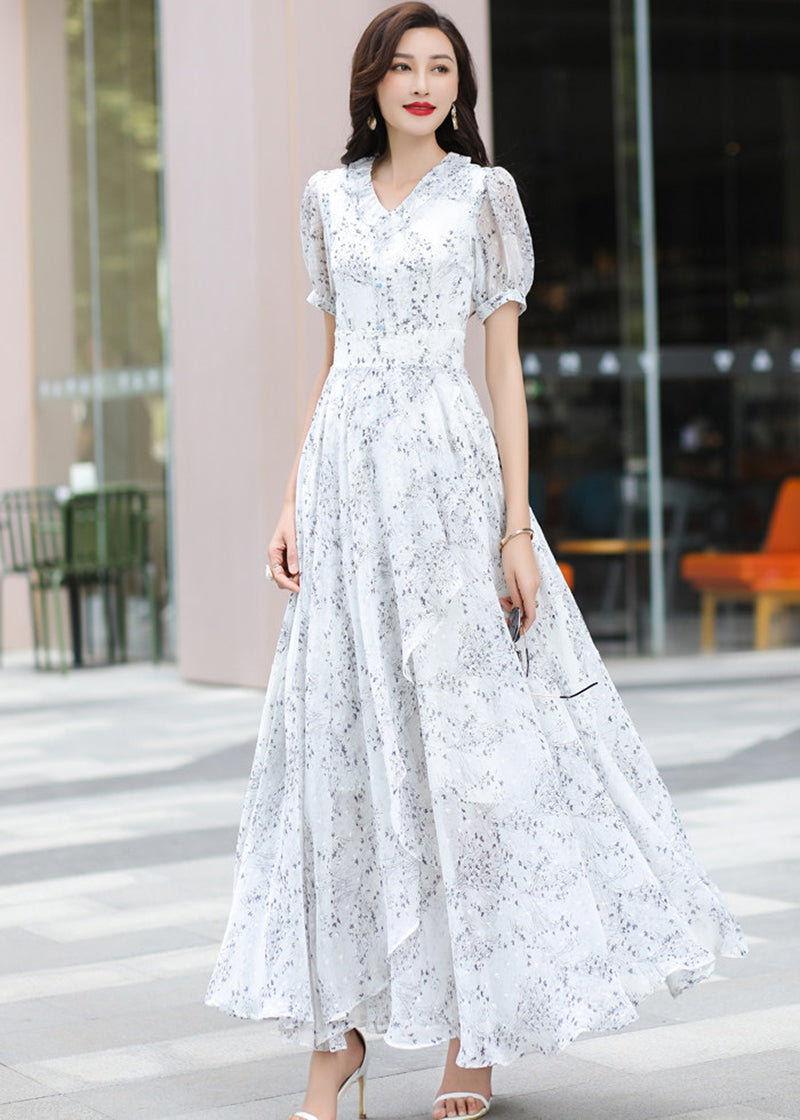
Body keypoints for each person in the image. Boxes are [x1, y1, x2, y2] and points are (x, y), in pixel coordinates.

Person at [205, 5, 748, 1120]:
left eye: (439, 67)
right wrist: (292, 499)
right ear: (370, 82)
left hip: (447, 491)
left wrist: (513, 527)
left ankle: (474, 1034)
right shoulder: (324, 198)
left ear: (460, 87)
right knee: (340, 757)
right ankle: (336, 1040)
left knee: (471, 761)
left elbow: (502, 373)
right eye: (400, 66)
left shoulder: (481, 197)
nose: (419, 83)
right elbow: (332, 361)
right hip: (348, 495)